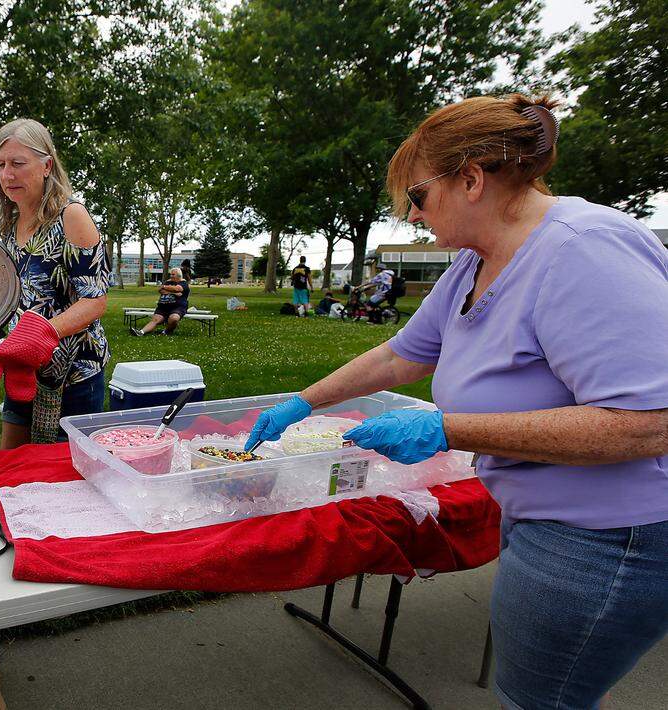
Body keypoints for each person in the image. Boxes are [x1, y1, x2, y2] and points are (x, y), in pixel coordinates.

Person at [244, 93, 668, 710]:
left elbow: (646, 425)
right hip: (543, 515)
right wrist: (301, 402)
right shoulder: (472, 264)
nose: (413, 218)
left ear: (471, 180)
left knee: (540, 700)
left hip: (612, 535)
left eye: (417, 197)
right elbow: (400, 356)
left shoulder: (583, 249)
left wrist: (449, 428)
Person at [0, 118, 110, 449]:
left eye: (18, 163)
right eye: (0, 165)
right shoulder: (9, 226)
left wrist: (42, 333)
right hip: (23, 372)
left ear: (46, 165)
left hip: (75, 376)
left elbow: (95, 300)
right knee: (11, 466)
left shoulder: (71, 216)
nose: (7, 174)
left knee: (62, 484)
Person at [131, 267, 190, 336]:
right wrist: (172, 292)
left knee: (174, 318)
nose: (171, 276)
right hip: (163, 307)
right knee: (155, 320)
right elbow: (160, 290)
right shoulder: (168, 282)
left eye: (173, 274)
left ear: (179, 275)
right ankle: (141, 332)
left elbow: (177, 289)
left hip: (177, 307)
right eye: (170, 274)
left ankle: (166, 332)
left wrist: (165, 287)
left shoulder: (183, 283)